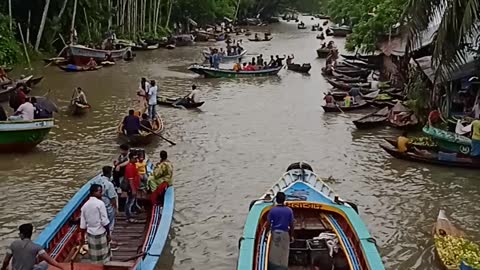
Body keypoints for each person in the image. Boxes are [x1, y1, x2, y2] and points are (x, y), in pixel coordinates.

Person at [79, 184, 111, 264]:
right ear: (94, 192)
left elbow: (82, 225)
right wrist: (108, 234)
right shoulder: (100, 204)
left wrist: (82, 238)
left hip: (90, 235)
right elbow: (105, 221)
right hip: (100, 234)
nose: (101, 194)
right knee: (104, 257)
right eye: (100, 192)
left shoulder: (84, 206)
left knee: (94, 258)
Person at [91, 166, 118, 250]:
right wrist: (116, 208)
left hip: (97, 205)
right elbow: (112, 198)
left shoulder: (96, 180)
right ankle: (108, 239)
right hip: (107, 206)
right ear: (110, 173)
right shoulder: (109, 184)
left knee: (100, 222)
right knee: (109, 222)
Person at [267, 192, 294, 270]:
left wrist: (267, 233)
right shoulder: (289, 210)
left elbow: (268, 223)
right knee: (284, 253)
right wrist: (291, 235)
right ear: (284, 200)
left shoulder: (272, 210)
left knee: (274, 254)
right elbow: (292, 225)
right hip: (285, 234)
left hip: (275, 233)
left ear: (276, 200)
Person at [124, 153, 141, 223]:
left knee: (133, 200)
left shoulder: (133, 165)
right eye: (134, 158)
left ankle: (135, 211)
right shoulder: (130, 167)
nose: (136, 159)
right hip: (131, 188)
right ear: (130, 159)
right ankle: (129, 217)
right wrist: (133, 190)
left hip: (135, 186)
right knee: (129, 202)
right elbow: (130, 180)